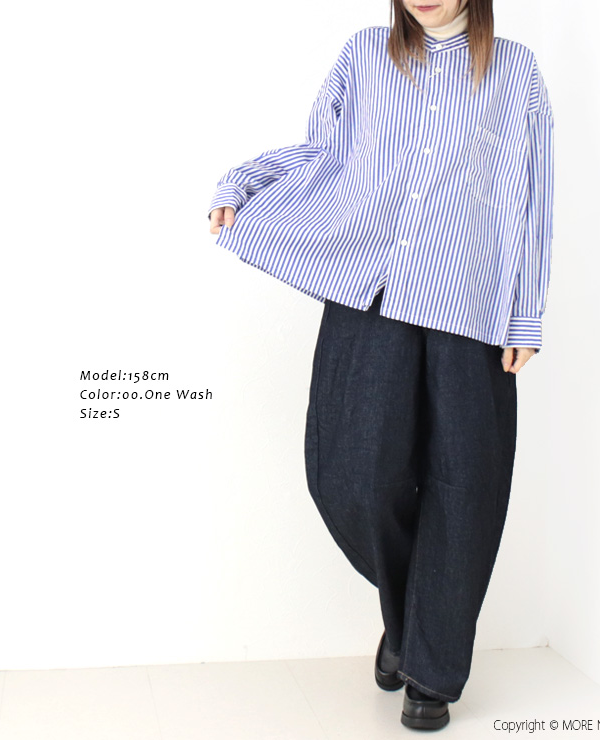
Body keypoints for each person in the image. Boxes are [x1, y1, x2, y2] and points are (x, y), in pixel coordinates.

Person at [207, 0, 554, 730]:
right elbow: (322, 153)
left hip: (469, 305)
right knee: (351, 476)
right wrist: (243, 183)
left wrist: (525, 312)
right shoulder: (365, 54)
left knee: (465, 487)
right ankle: (407, 620)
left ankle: (431, 670)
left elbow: (533, 196)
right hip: (370, 291)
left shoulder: (515, 71)